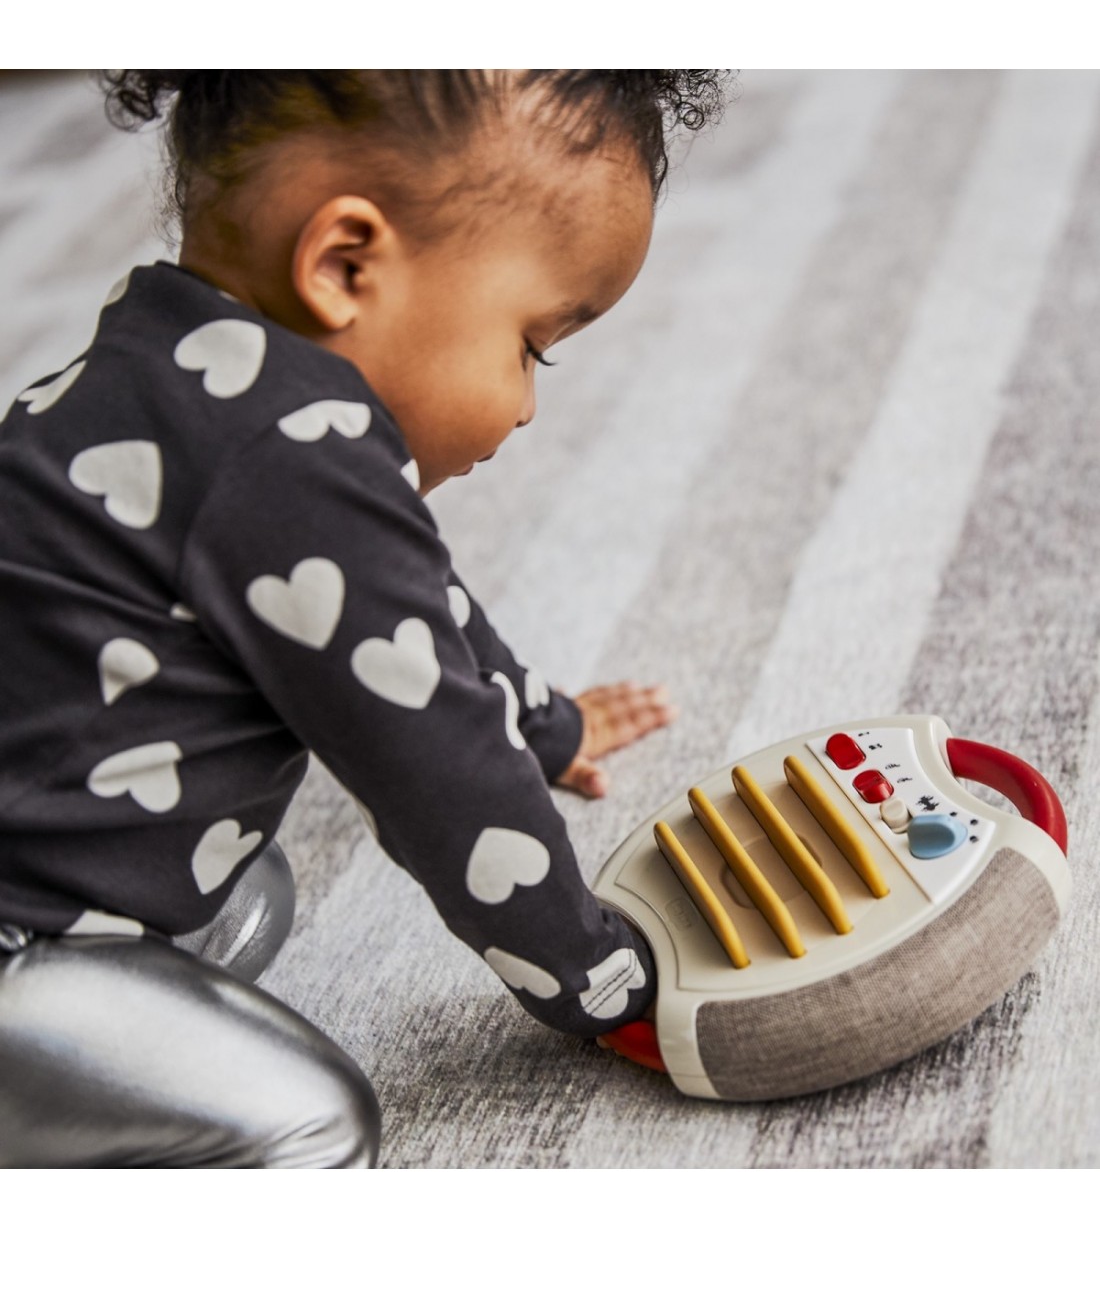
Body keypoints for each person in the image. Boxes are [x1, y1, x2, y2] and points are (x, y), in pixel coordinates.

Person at [0, 70, 728, 1167]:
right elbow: (444, 781)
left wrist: (547, 724)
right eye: (530, 345)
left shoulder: (165, 361)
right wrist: (605, 979)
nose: (528, 405)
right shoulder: (285, 463)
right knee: (313, 1124)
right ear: (345, 266)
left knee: (247, 893)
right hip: (20, 935)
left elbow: (412, 617)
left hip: (39, 861)